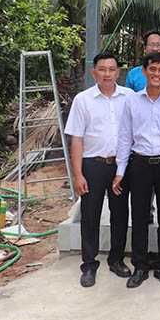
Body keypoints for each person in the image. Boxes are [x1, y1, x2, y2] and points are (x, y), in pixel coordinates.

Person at [113, 51, 160, 289]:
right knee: (140, 216)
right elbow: (124, 137)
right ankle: (140, 267)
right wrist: (120, 170)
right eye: (152, 69)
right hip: (140, 164)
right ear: (144, 71)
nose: (157, 74)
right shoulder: (131, 101)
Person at [65, 51, 134, 288]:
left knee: (120, 213)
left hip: (121, 165)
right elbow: (77, 139)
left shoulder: (129, 97)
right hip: (92, 165)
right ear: (94, 72)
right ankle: (89, 265)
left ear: (118, 72)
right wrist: (77, 174)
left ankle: (117, 259)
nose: (107, 74)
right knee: (91, 215)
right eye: (102, 69)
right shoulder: (83, 100)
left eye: (112, 69)